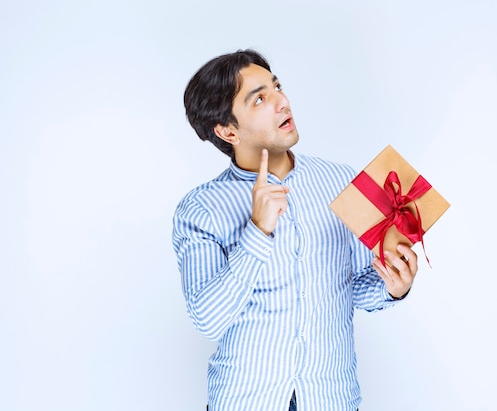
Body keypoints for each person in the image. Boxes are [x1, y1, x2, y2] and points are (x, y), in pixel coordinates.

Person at [172, 49, 419, 411]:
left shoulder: (343, 182)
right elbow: (208, 320)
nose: (283, 101)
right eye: (259, 99)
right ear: (227, 130)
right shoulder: (201, 209)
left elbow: (349, 290)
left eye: (277, 87)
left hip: (331, 400)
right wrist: (257, 231)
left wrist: (392, 286)